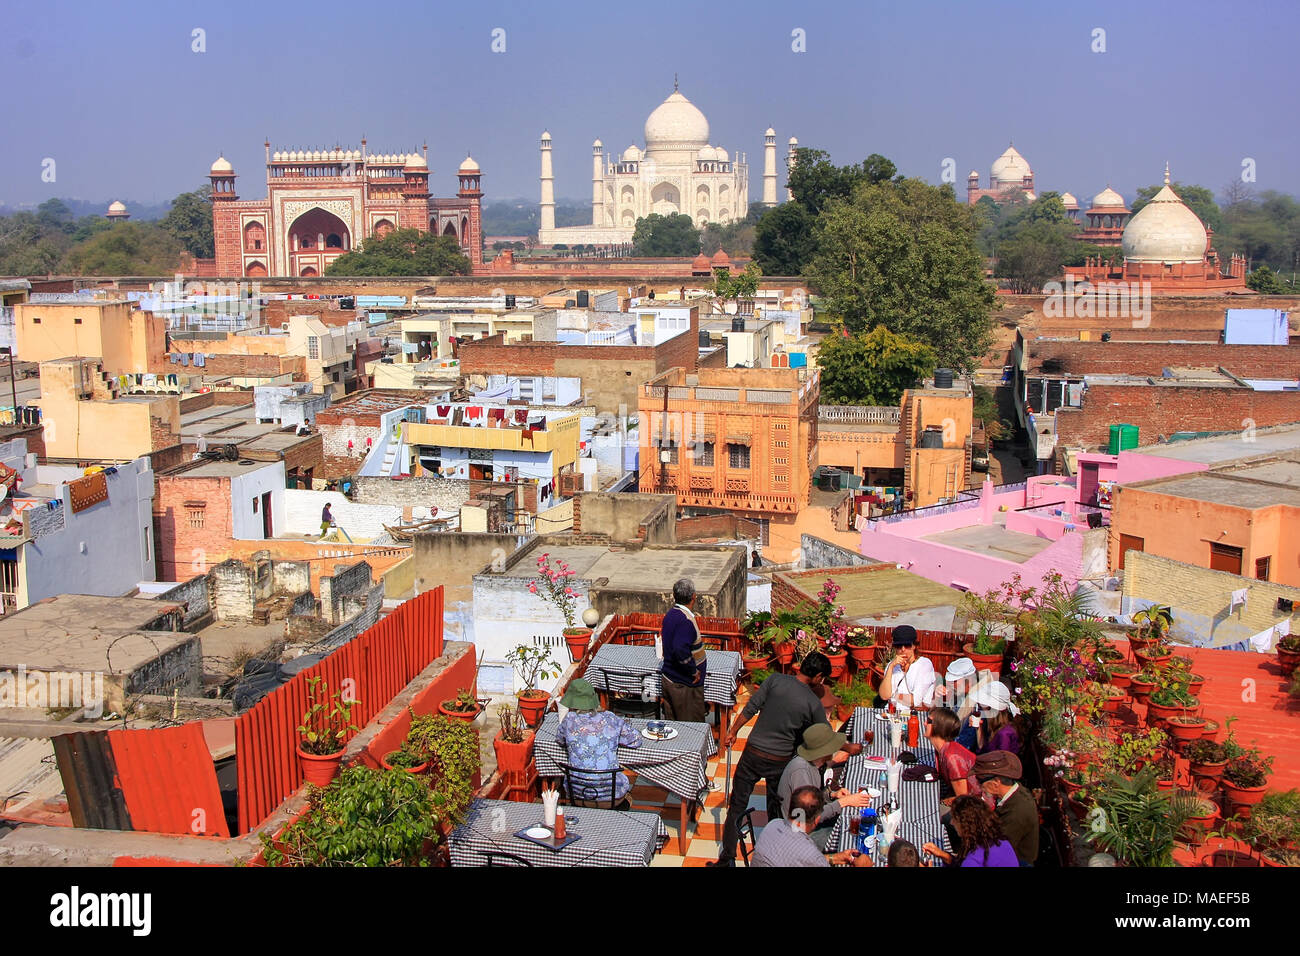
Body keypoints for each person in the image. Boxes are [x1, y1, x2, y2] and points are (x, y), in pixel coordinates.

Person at [710, 652, 834, 867]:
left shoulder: (774, 679)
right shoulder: (813, 703)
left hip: (753, 753)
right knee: (776, 810)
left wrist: (732, 731)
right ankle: (777, 853)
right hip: (779, 760)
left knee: (737, 805)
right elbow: (823, 735)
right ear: (818, 676)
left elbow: (751, 707)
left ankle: (727, 858)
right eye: (822, 679)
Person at [776, 724, 872, 851]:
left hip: (807, 823)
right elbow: (809, 815)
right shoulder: (801, 772)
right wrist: (843, 803)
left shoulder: (815, 765)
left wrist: (832, 795)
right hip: (798, 835)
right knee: (847, 838)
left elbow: (814, 797)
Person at [555, 678, 641, 806]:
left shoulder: (569, 720)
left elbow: (559, 739)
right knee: (627, 792)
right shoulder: (610, 718)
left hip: (577, 794)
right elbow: (635, 740)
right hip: (611, 797)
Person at [751, 786, 869, 867]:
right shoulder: (810, 853)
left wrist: (836, 858)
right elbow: (807, 859)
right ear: (817, 819)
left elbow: (797, 860)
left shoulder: (773, 824)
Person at [974, 750, 1039, 866]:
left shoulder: (1017, 812)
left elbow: (998, 849)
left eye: (980, 782)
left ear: (996, 783)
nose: (979, 787)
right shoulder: (1017, 790)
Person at [922, 795, 1019, 867]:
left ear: (965, 825)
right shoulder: (1000, 841)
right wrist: (943, 855)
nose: (951, 822)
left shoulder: (974, 859)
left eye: (954, 819)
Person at [659, 578, 707, 723]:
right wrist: (693, 671)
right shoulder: (685, 621)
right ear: (693, 596)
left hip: (671, 679)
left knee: (674, 723)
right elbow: (680, 650)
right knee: (691, 727)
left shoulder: (670, 615)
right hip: (683, 684)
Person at [926, 707, 982, 803]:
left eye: (928, 721)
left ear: (938, 727)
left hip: (974, 806)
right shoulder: (942, 749)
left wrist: (942, 802)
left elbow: (962, 799)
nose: (924, 723)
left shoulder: (952, 757)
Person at [878, 625, 935, 709]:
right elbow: (884, 696)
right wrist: (890, 667)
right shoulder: (892, 665)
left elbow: (916, 700)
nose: (903, 649)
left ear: (914, 646)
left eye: (907, 645)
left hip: (915, 715)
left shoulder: (924, 664)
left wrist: (894, 696)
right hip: (892, 712)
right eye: (899, 646)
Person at [936, 657, 980, 751]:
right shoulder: (961, 695)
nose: (952, 684)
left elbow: (963, 744)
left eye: (955, 681)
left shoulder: (977, 705)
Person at [973, 681, 1023, 755]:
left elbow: (1001, 764)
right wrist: (978, 728)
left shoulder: (1004, 735)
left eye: (981, 706)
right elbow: (981, 747)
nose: (978, 709)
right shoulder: (992, 724)